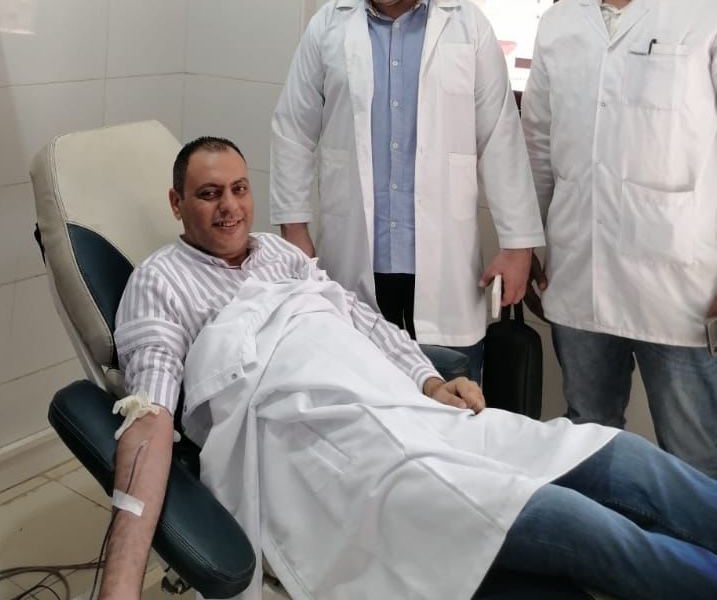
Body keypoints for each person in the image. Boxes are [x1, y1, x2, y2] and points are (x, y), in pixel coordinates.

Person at [96, 137, 717, 600]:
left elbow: (361, 322)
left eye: (239, 189)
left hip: (409, 412)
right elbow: (149, 416)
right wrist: (119, 586)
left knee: (622, 457)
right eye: (209, 194)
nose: (230, 207)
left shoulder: (279, 255)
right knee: (579, 524)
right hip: (335, 453)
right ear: (177, 203)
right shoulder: (160, 282)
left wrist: (429, 381)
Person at [270, 0, 543, 378]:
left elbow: (500, 138)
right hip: (357, 252)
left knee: (454, 401)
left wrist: (518, 245)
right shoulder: (329, 26)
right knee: (356, 391)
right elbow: (293, 128)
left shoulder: (468, 26)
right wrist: (294, 230)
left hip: (441, 262)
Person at [522, 0, 717, 477]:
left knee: (695, 452)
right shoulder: (559, 22)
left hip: (681, 279)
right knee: (590, 437)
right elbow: (538, 143)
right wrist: (528, 244)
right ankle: (606, 542)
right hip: (580, 269)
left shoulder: (704, 8)